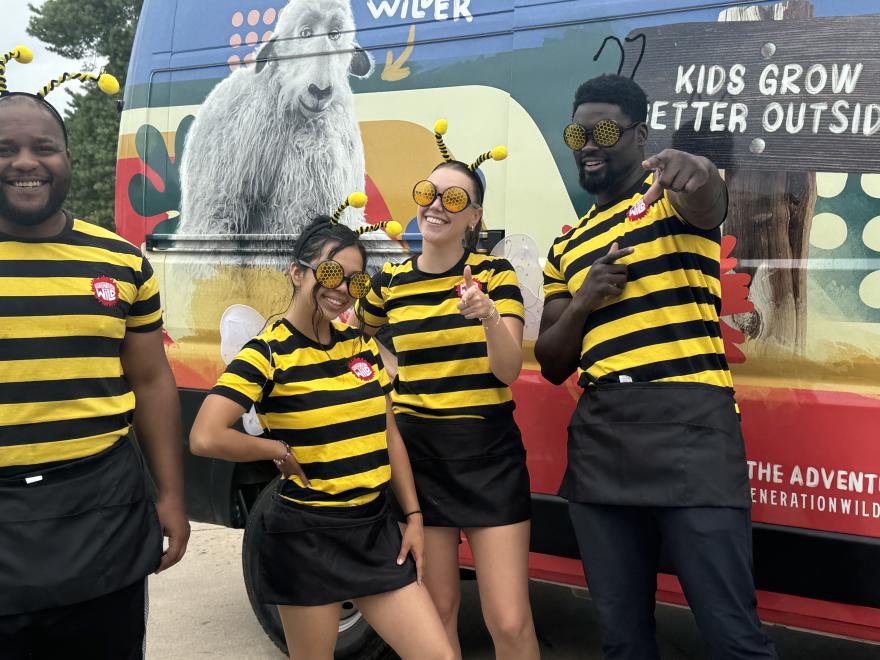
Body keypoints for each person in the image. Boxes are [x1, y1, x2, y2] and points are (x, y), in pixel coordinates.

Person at [534, 73, 777, 660]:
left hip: (691, 429)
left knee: (731, 634)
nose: (588, 142)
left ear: (640, 134)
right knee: (622, 640)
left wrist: (698, 171)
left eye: (606, 130)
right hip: (602, 436)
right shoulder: (566, 247)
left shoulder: (673, 201)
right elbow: (550, 360)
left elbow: (706, 196)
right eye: (577, 131)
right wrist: (588, 296)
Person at [189, 199, 454, 660]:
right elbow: (206, 435)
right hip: (304, 535)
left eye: (356, 281)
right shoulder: (267, 351)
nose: (343, 290)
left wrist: (412, 516)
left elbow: (388, 434)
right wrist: (272, 447)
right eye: (331, 275)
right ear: (298, 273)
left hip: (374, 528)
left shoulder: (358, 345)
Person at [0, 49, 189, 660]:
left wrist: (171, 498)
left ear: (67, 157)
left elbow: (153, 383)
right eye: (6, 149)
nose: (26, 162)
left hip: (101, 515)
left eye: (44, 147)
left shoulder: (122, 263)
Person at [357, 121, 540, 660]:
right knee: (437, 613)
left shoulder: (494, 274)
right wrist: (391, 372)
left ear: (474, 216)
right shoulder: (389, 282)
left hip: (488, 455)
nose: (436, 205)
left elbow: (507, 371)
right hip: (420, 458)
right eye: (427, 193)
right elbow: (356, 339)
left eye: (454, 197)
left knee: (509, 621)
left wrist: (486, 315)